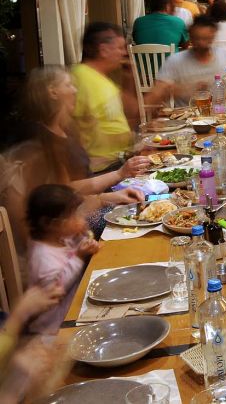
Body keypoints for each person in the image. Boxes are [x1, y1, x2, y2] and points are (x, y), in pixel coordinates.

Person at [6, 66, 148, 249]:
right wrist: (114, 184)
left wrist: (115, 185)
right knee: (137, 220)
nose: (75, 90)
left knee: (147, 204)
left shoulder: (65, 129)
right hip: (67, 227)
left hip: (81, 209)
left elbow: (75, 185)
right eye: (68, 85)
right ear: (53, 92)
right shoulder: (42, 142)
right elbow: (64, 193)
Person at [26, 184, 100, 333]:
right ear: (51, 224)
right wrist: (79, 256)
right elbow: (57, 289)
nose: (79, 218)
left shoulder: (61, 238)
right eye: (73, 215)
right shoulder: (42, 256)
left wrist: (83, 238)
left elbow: (72, 250)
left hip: (72, 307)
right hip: (53, 327)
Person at [71, 23, 134, 172]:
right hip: (103, 169)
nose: (124, 53)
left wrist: (128, 79)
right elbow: (72, 128)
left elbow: (132, 111)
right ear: (104, 50)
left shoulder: (102, 78)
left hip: (120, 161)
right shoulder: (81, 78)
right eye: (120, 48)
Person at [146, 16, 226, 106]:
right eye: (197, 39)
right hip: (187, 118)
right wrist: (184, 89)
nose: (201, 43)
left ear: (213, 37)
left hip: (222, 113)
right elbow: (157, 93)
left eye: (206, 39)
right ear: (190, 37)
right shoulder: (175, 60)